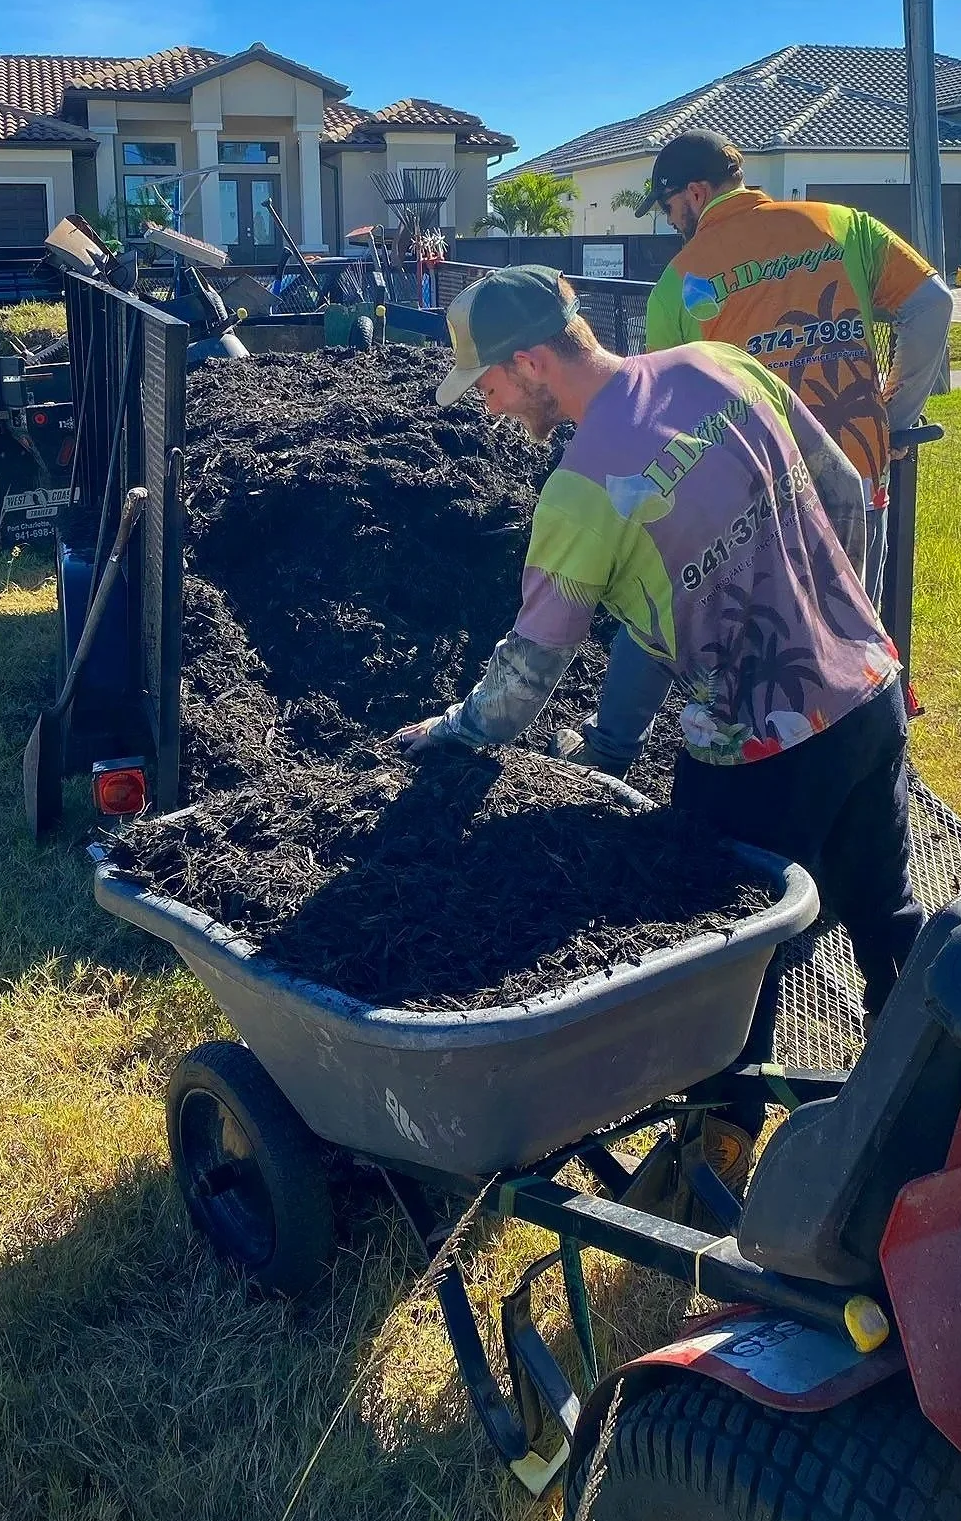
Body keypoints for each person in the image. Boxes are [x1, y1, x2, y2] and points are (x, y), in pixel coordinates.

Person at [393, 265, 925, 1188]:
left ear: (530, 362)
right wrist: (846, 626)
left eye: (484, 382)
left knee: (729, 957)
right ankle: (929, 1102)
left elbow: (527, 673)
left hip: (756, 752)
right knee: (885, 908)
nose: (482, 404)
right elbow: (844, 490)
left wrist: (451, 733)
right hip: (870, 690)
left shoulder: (583, 488)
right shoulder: (720, 365)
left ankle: (720, 1147)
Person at [561, 128, 953, 777]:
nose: (671, 223)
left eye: (668, 207)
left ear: (694, 192)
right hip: (854, 463)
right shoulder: (840, 225)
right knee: (848, 631)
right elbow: (931, 305)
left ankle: (612, 752)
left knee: (668, 602)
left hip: (753, 489)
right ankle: (865, 773)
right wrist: (895, 413)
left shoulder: (678, 284)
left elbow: (669, 409)